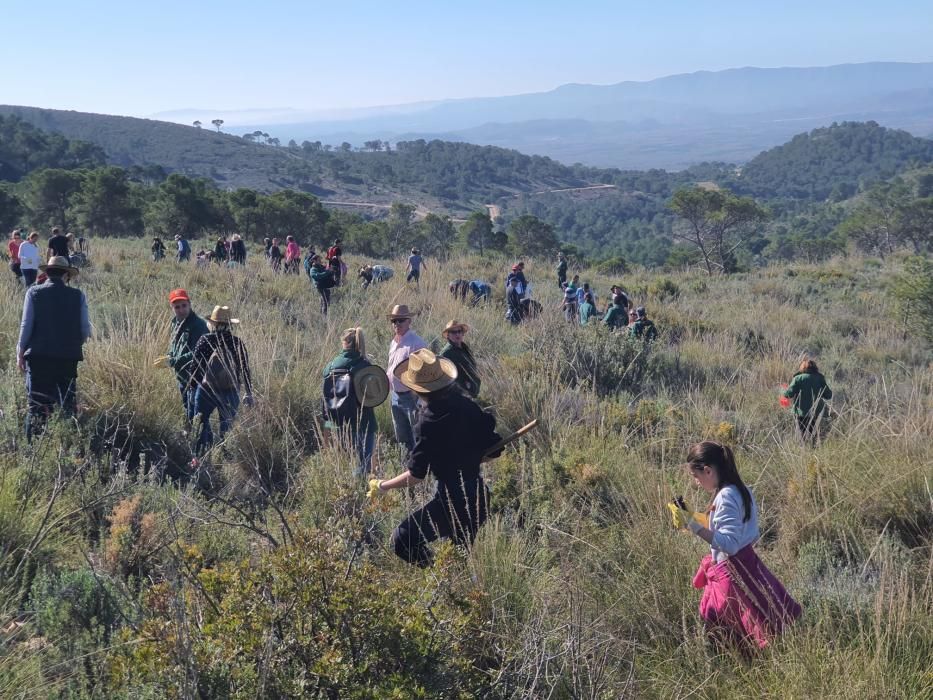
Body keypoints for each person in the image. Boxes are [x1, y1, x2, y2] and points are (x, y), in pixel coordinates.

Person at [369, 349, 502, 566]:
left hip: (452, 501)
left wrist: (383, 485)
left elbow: (416, 475)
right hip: (478, 497)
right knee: (458, 559)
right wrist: (468, 456)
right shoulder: (467, 405)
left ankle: (438, 577)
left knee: (402, 539)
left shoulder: (428, 422)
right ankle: (449, 586)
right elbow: (493, 449)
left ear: (416, 388)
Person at [669, 441, 801, 651]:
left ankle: (738, 666)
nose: (696, 482)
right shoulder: (740, 489)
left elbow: (729, 544)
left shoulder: (726, 496)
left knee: (726, 626)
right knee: (757, 620)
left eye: (696, 476)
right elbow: (740, 531)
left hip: (731, 571)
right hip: (748, 564)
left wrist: (692, 526)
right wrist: (693, 517)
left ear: (708, 471)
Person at [16, 257, 91, 441]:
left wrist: (20, 352)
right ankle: (66, 445)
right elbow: (85, 330)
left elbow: (26, 325)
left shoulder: (33, 293)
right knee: (66, 405)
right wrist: (73, 346)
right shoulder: (78, 295)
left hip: (39, 358)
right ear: (66, 275)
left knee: (36, 406)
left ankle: (32, 450)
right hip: (67, 359)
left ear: (47, 273)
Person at [189, 306, 254, 450]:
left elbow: (195, 368)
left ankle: (202, 455)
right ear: (230, 325)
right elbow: (244, 369)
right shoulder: (237, 343)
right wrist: (248, 393)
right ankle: (226, 456)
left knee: (200, 424)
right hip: (230, 391)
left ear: (213, 323)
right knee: (227, 428)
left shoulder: (205, 340)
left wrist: (193, 390)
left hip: (206, 390)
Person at [322, 327, 377, 475]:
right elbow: (374, 397)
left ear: (343, 343)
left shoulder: (330, 367)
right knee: (362, 467)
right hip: (363, 423)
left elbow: (326, 401)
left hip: (337, 424)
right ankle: (361, 494)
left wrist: (327, 429)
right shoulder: (365, 365)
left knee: (343, 467)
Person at [154, 289, 209, 422]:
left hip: (197, 378)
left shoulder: (198, 325)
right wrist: (169, 356)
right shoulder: (175, 323)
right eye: (177, 307)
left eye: (184, 305)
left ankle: (202, 442)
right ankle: (193, 438)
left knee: (198, 417)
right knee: (188, 411)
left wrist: (173, 361)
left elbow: (198, 353)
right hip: (182, 377)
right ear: (172, 308)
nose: (181, 310)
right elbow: (175, 345)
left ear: (189, 304)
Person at [386, 304, 426, 453]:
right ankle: (406, 469)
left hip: (412, 397)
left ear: (409, 321)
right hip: (395, 396)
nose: (396, 324)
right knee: (402, 438)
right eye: (393, 321)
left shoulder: (417, 343)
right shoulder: (394, 342)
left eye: (400, 320)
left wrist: (420, 399)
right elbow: (391, 368)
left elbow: (425, 374)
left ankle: (420, 472)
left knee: (418, 437)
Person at [782, 359, 833, 441]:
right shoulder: (820, 378)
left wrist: (784, 389)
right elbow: (828, 395)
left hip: (800, 413)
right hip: (816, 412)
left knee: (802, 435)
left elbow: (788, 394)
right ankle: (813, 449)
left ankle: (804, 449)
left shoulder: (797, 378)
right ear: (815, 368)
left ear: (802, 368)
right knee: (815, 435)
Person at [439, 320, 481, 398]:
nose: (457, 334)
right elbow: (443, 377)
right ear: (448, 335)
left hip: (470, 392)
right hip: (458, 394)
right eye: (453, 332)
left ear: (463, 333)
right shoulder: (447, 353)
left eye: (459, 331)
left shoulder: (464, 347)